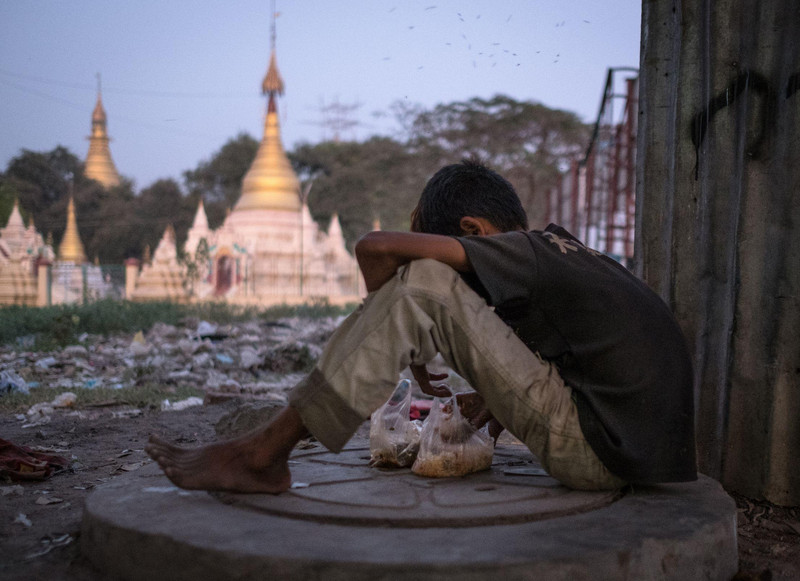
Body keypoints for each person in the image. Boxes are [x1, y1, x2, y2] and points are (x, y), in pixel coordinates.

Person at [146, 159, 696, 493]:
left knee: (427, 280)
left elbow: (375, 246)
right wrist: (496, 398)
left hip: (600, 454)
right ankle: (268, 448)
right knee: (428, 286)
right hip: (631, 452)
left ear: (474, 230)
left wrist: (404, 340)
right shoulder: (564, 252)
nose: (478, 290)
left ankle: (261, 456)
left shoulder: (519, 252)